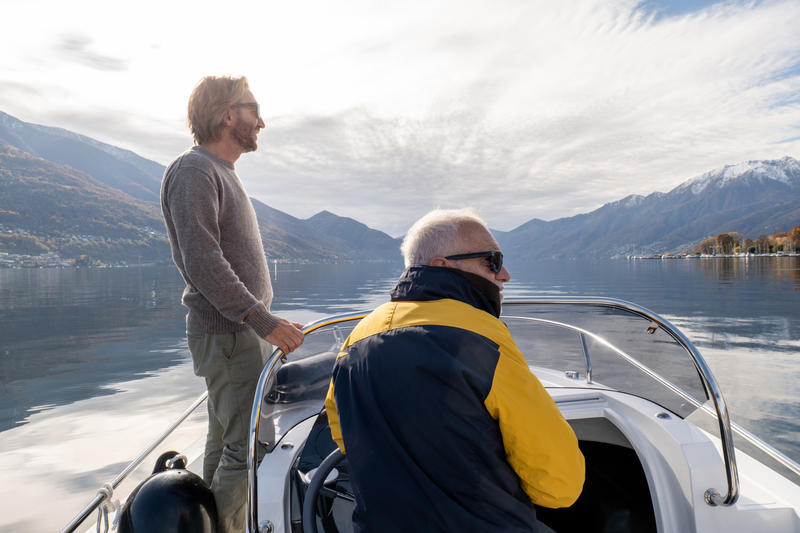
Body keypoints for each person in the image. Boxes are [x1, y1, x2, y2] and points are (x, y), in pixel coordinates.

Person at [324, 208, 585, 532]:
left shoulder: (356, 338)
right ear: (440, 265)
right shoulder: (483, 338)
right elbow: (559, 485)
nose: (504, 274)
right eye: (492, 261)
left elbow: (343, 432)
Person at [161, 75, 304, 533]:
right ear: (227, 115)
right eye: (253, 110)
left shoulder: (217, 172)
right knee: (244, 451)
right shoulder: (194, 172)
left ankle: (206, 525)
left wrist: (264, 320)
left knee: (226, 442)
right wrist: (262, 320)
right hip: (230, 334)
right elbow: (202, 261)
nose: (261, 121)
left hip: (240, 332)